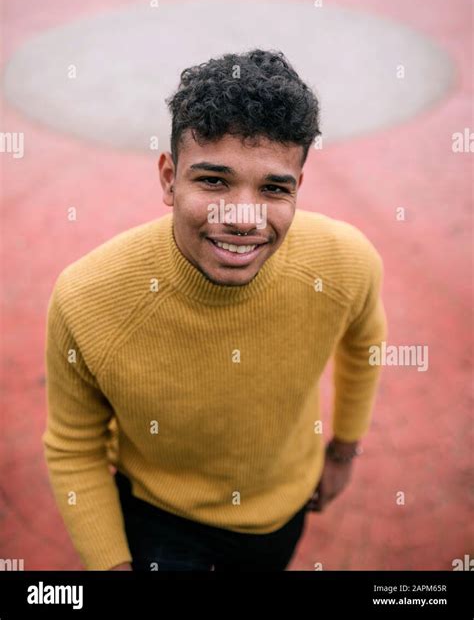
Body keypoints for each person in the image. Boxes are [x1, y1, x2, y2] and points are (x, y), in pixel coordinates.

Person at [42, 48, 388, 571]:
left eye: (273, 188)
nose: (244, 217)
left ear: (298, 191)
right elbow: (73, 446)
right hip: (159, 521)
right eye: (213, 181)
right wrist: (112, 564)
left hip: (285, 511)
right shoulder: (86, 297)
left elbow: (365, 346)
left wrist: (343, 451)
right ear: (168, 179)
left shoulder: (346, 263)